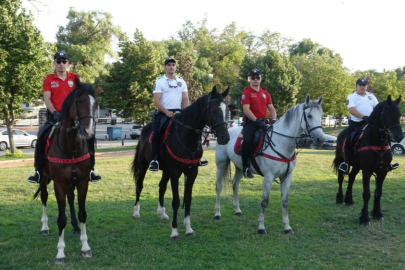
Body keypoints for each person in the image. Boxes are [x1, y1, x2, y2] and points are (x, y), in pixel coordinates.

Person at [27, 50, 101, 183]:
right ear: (54, 63)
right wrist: (55, 113)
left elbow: (81, 97)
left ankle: (91, 170)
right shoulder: (49, 79)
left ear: (68, 64)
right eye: (59, 61)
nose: (61, 64)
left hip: (73, 117)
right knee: (42, 135)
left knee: (89, 137)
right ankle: (38, 171)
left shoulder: (75, 78)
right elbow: (47, 99)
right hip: (55, 116)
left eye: (64, 61)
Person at [149, 58, 190, 171]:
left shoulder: (182, 81)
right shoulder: (160, 81)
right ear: (165, 67)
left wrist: (186, 112)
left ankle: (196, 156)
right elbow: (157, 100)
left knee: (191, 130)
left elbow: (185, 98)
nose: (171, 67)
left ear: (175, 67)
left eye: (173, 65)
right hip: (164, 113)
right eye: (169, 65)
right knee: (157, 133)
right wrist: (166, 112)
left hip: (179, 112)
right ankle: (155, 159)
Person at [241, 68, 277, 178]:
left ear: (261, 79)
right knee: (247, 141)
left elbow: (271, 109)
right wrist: (256, 121)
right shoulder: (246, 92)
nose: (255, 79)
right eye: (253, 77)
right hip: (251, 123)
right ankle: (245, 167)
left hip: (264, 122)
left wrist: (274, 121)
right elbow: (246, 109)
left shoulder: (265, 93)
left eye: (258, 77)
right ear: (249, 79)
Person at [338, 78, 378, 173]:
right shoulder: (351, 96)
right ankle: (346, 163)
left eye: (364, 85)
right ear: (356, 86)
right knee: (349, 140)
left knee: (384, 135)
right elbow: (352, 110)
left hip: (371, 124)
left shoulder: (371, 96)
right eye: (360, 85)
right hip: (357, 124)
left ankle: (388, 161)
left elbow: (377, 108)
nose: (362, 87)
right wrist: (364, 117)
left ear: (366, 86)